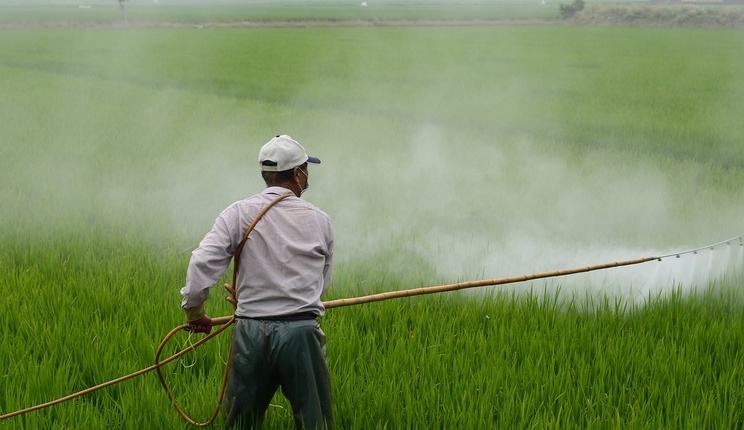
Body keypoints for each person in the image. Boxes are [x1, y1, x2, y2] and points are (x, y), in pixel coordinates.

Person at [180, 135, 334, 429]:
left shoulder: (238, 213)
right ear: (298, 173)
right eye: (306, 169)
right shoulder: (319, 220)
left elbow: (201, 262)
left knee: (242, 423)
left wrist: (195, 313)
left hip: (250, 333)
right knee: (315, 423)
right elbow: (321, 286)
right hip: (301, 333)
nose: (307, 175)